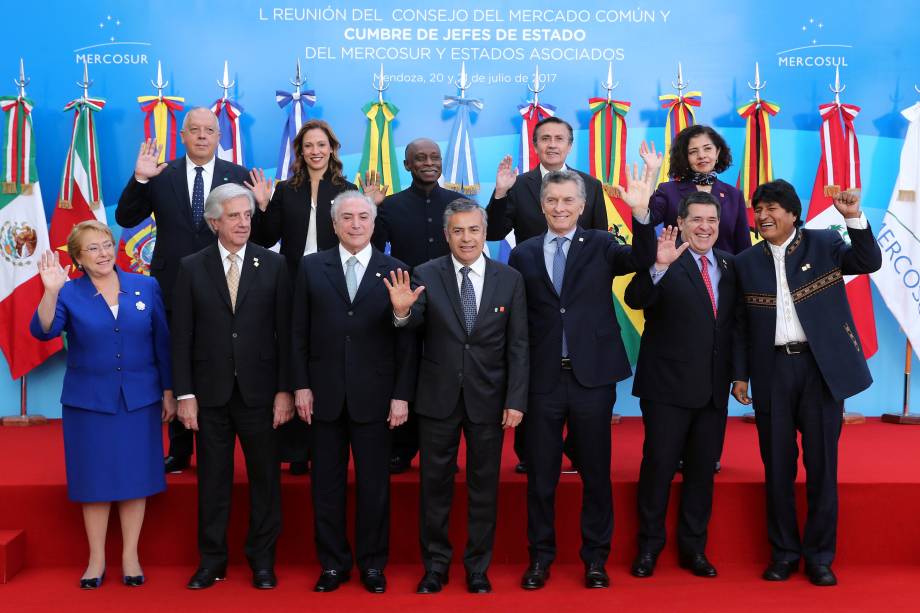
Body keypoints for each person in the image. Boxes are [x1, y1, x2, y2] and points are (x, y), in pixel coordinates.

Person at [507, 167, 656, 590]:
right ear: (542, 206)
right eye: (552, 201)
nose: (560, 207)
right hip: (542, 381)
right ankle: (540, 559)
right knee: (540, 476)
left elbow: (641, 260)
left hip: (592, 379)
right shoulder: (524, 253)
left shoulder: (604, 244)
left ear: (582, 204)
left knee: (595, 472)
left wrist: (641, 212)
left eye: (568, 201)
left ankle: (595, 559)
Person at [731, 180, 882, 587]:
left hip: (819, 372)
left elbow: (868, 261)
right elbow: (740, 326)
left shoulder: (825, 244)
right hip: (771, 372)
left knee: (821, 467)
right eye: (758, 209)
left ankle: (819, 557)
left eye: (772, 208)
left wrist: (853, 218)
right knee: (777, 469)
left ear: (793, 213)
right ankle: (783, 554)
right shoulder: (745, 262)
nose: (763, 216)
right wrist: (740, 373)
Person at [384, 199, 528, 594]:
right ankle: (435, 567)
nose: (467, 238)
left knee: (484, 488)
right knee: (434, 487)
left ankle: (477, 568)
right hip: (437, 399)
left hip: (489, 400)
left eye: (474, 230)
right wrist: (400, 313)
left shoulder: (509, 278)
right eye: (459, 231)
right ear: (447, 235)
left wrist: (516, 399)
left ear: (485, 233)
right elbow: (411, 329)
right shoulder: (425, 273)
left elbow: (518, 345)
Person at [30, 220, 176, 589]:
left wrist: (169, 391)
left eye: (106, 244)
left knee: (134, 477)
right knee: (93, 479)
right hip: (88, 403)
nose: (103, 253)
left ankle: (131, 556)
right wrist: (50, 292)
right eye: (92, 248)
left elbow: (163, 342)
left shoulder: (146, 285)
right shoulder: (69, 292)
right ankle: (96, 559)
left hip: (139, 399)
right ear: (78, 257)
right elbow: (43, 330)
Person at [115, 106, 253, 474]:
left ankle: (218, 442)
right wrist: (140, 180)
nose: (203, 136)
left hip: (225, 284)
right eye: (195, 130)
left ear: (219, 137)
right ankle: (179, 448)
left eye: (210, 130)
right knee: (177, 358)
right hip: (172, 283)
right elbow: (125, 217)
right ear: (183, 135)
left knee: (217, 357)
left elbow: (255, 228)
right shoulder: (162, 174)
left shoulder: (237, 177)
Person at [291, 191, 416, 594]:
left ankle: (373, 565)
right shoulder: (311, 268)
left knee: (374, 487)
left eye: (364, 216)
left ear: (374, 223)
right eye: (347, 217)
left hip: (377, 399)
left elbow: (407, 342)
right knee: (325, 486)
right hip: (322, 396)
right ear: (334, 224)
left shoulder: (396, 270)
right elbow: (297, 334)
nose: (356, 224)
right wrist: (301, 386)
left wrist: (401, 394)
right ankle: (332, 564)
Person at [171, 183, 294, 590]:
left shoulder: (274, 265)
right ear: (213, 222)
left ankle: (263, 561)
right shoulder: (191, 267)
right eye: (234, 216)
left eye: (247, 215)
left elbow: (286, 334)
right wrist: (185, 394)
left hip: (262, 394)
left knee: (264, 480)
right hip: (209, 394)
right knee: (213, 481)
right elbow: (181, 336)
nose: (244, 222)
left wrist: (284, 391)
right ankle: (212, 561)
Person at [486, 116, 609, 473]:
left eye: (559, 139)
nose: (552, 144)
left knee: (582, 384)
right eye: (545, 139)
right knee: (537, 376)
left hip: (582, 299)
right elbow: (494, 230)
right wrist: (498, 194)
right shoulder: (519, 184)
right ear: (535, 145)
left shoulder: (589, 184)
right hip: (534, 295)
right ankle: (532, 453)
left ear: (570, 145)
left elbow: (600, 237)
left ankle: (577, 448)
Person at [624, 192, 737, 579]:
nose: (705, 227)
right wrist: (657, 266)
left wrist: (738, 376)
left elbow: (732, 328)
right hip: (666, 390)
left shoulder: (729, 264)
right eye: (697, 220)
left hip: (712, 392)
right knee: (658, 469)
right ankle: (649, 549)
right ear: (682, 223)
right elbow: (635, 298)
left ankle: (694, 550)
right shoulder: (666, 256)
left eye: (712, 220)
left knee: (702, 473)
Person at [247, 119, 359, 476]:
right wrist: (262, 206)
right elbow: (265, 239)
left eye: (321, 145)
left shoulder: (347, 188)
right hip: (293, 281)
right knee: (294, 355)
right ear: (300, 151)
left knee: (323, 356)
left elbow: (362, 237)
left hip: (334, 283)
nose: (315, 151)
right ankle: (296, 449)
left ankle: (325, 441)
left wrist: (374, 207)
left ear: (332, 149)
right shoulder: (285, 190)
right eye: (309, 145)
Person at [371, 138, 465, 474]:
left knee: (444, 375)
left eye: (434, 157)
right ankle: (402, 447)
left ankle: (442, 451)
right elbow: (375, 250)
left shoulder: (459, 203)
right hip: (402, 300)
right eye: (419, 158)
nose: (428, 162)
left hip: (449, 302)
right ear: (407, 165)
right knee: (405, 371)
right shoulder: (390, 206)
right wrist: (372, 207)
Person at [649, 125, 751, 255]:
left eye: (707, 149)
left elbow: (744, 247)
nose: (701, 155)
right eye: (693, 152)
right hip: (678, 271)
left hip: (725, 272)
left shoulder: (734, 195)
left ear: (717, 152)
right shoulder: (668, 191)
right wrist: (650, 178)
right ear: (685, 157)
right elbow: (647, 220)